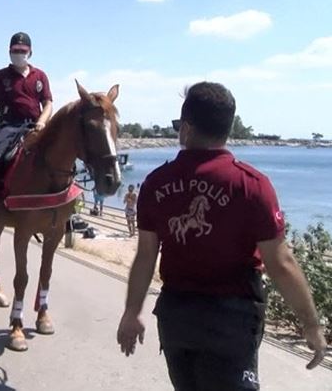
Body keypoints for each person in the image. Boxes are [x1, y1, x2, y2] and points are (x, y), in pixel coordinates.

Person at [116, 82, 327, 390]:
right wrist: (310, 325)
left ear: (186, 128)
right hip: (231, 322)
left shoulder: (155, 183)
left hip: (177, 318)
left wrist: (132, 313)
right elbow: (280, 264)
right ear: (228, 128)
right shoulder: (252, 185)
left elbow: (146, 256)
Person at [0, 32, 53, 233]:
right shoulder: (0, 77)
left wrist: (43, 122)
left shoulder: (40, 76)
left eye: (22, 51)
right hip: (9, 126)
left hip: (35, 126)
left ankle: (67, 211)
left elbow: (48, 104)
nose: (18, 54)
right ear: (9, 52)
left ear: (30, 52)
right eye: (15, 51)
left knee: (58, 154)